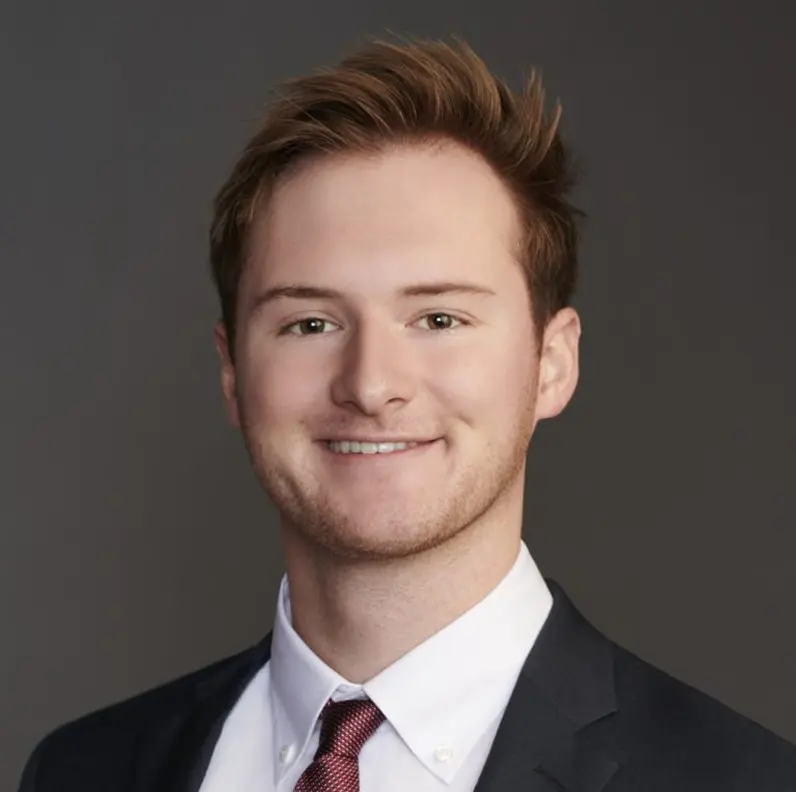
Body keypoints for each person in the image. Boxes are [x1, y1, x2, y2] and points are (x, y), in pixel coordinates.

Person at [18, 35, 796, 792]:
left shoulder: (741, 779)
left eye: (439, 319)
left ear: (553, 363)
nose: (371, 385)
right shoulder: (84, 769)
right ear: (231, 371)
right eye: (310, 323)